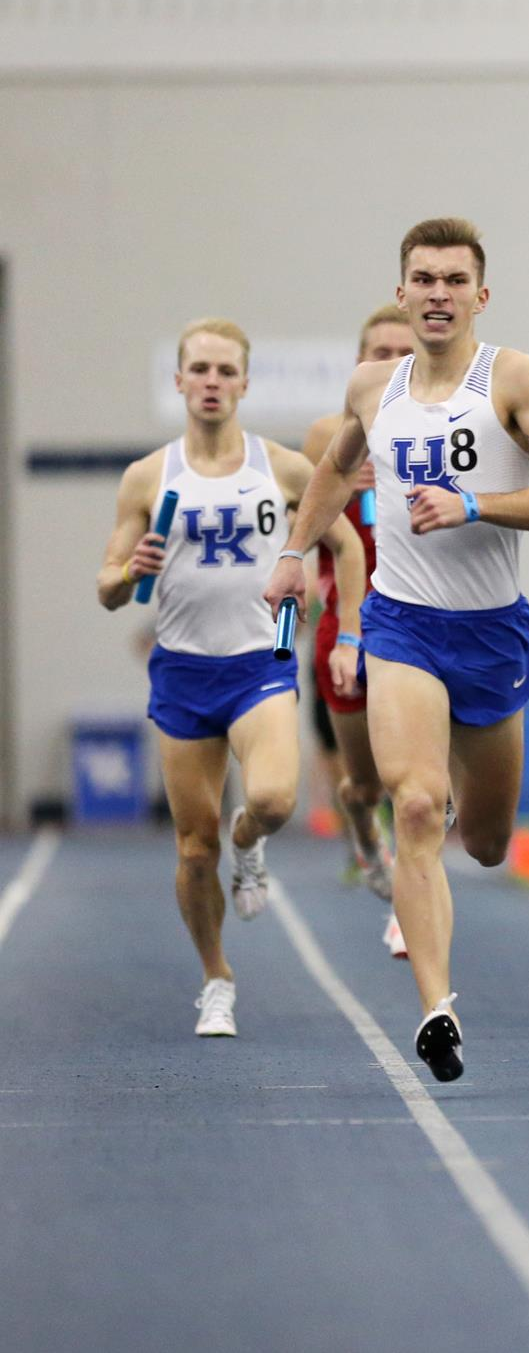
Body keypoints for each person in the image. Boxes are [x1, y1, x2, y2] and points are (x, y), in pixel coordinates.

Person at [265, 218, 529, 1082]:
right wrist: (296, 553)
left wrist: (477, 505)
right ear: (402, 292)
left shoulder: (514, 378)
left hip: (489, 633)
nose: (438, 292)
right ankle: (437, 1010)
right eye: (424, 278)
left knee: (483, 842)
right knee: (412, 805)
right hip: (402, 622)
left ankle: (450, 820)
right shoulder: (374, 386)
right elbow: (336, 468)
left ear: (480, 296)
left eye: (455, 279)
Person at [98, 317, 368, 1037]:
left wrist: (352, 630)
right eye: (201, 370)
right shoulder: (148, 477)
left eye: (226, 371)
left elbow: (344, 544)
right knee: (194, 846)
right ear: (180, 380)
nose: (212, 382)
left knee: (274, 800)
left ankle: (252, 844)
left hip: (260, 665)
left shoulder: (280, 468)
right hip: (183, 675)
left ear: (244, 384)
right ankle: (216, 976)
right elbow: (105, 586)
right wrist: (132, 571)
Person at [302, 303, 417, 958]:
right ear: (357, 365)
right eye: (378, 353)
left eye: (403, 353)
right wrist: (348, 475)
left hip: (419, 623)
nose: (391, 364)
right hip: (345, 631)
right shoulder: (328, 435)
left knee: (418, 781)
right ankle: (360, 824)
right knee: (367, 783)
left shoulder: (441, 430)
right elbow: (306, 519)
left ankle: (409, 899)